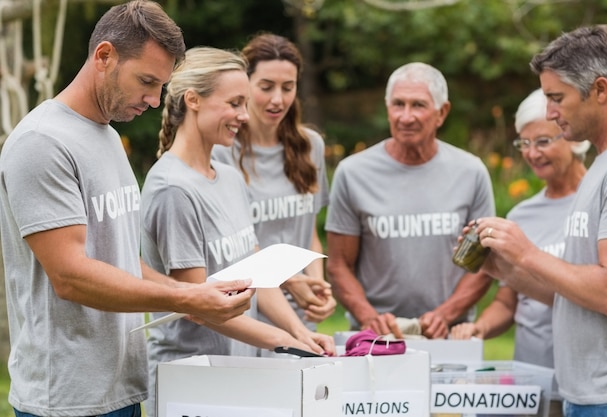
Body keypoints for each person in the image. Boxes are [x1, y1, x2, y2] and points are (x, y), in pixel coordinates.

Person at [0, 3, 255, 417]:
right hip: (66, 401)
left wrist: (191, 296)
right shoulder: (42, 142)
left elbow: (119, 259)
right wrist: (188, 296)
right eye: (147, 81)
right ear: (104, 56)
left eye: (161, 86)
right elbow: (70, 275)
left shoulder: (105, 136)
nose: (155, 101)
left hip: (121, 388)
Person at [140, 46, 335, 417]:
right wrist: (284, 342)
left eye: (245, 104)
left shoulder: (228, 176)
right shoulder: (173, 190)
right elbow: (203, 307)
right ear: (193, 100)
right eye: (234, 103)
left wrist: (300, 332)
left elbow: (256, 272)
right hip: (192, 380)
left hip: (237, 372)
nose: (244, 116)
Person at [474, 24, 607, 416]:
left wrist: (526, 254)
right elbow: (578, 297)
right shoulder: (601, 165)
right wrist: (505, 270)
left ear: (600, 90)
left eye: (556, 98)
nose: (549, 112)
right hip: (587, 393)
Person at [324, 62, 495, 339]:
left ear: (442, 112)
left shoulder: (470, 172)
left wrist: (445, 315)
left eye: (418, 105)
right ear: (386, 107)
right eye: (398, 104)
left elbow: (483, 264)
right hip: (376, 338)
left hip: (448, 336)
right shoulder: (353, 173)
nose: (406, 116)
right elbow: (339, 264)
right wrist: (370, 318)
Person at [451, 89, 590, 417]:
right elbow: (508, 302)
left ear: (572, 138)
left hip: (583, 380)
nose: (532, 153)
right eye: (523, 143)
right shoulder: (520, 216)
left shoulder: (598, 201)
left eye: (542, 141)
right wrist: (479, 328)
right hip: (532, 382)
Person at [212, 33, 336, 331]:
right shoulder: (221, 153)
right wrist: (290, 281)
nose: (278, 99)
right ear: (246, 85)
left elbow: (308, 230)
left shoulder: (312, 146)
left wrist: (317, 285)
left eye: (288, 87)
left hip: (302, 313)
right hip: (248, 314)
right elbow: (233, 248)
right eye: (266, 87)